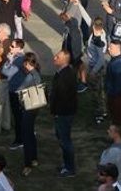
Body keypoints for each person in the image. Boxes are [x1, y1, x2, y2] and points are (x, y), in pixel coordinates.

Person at [47, 49, 77, 177]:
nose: (54, 58)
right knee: (62, 139)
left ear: (64, 59)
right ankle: (66, 165)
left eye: (57, 57)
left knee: (65, 141)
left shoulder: (65, 75)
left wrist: (56, 111)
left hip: (63, 113)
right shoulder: (62, 73)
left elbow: (63, 97)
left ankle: (70, 169)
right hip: (62, 112)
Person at [14, 52, 41, 176]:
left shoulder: (30, 76)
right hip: (35, 106)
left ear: (26, 63)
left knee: (26, 135)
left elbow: (19, 89)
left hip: (28, 107)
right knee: (31, 133)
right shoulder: (37, 73)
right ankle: (34, 158)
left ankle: (27, 163)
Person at [98, 124, 121, 191]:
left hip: (116, 186)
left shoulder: (112, 152)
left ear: (116, 134)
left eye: (110, 131)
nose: (108, 131)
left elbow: (102, 170)